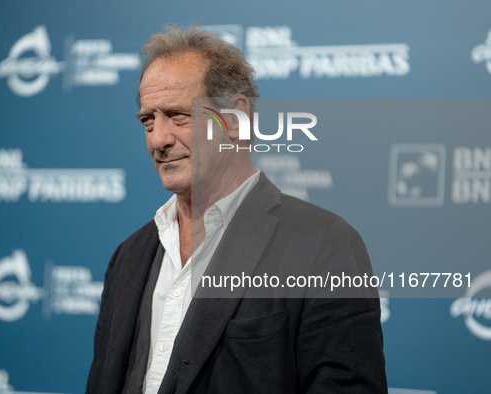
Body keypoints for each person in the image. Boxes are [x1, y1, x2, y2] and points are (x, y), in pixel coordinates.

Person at [85, 24, 387, 394]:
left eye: (178, 115)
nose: (159, 139)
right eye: (148, 120)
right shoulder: (128, 257)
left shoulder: (323, 246)